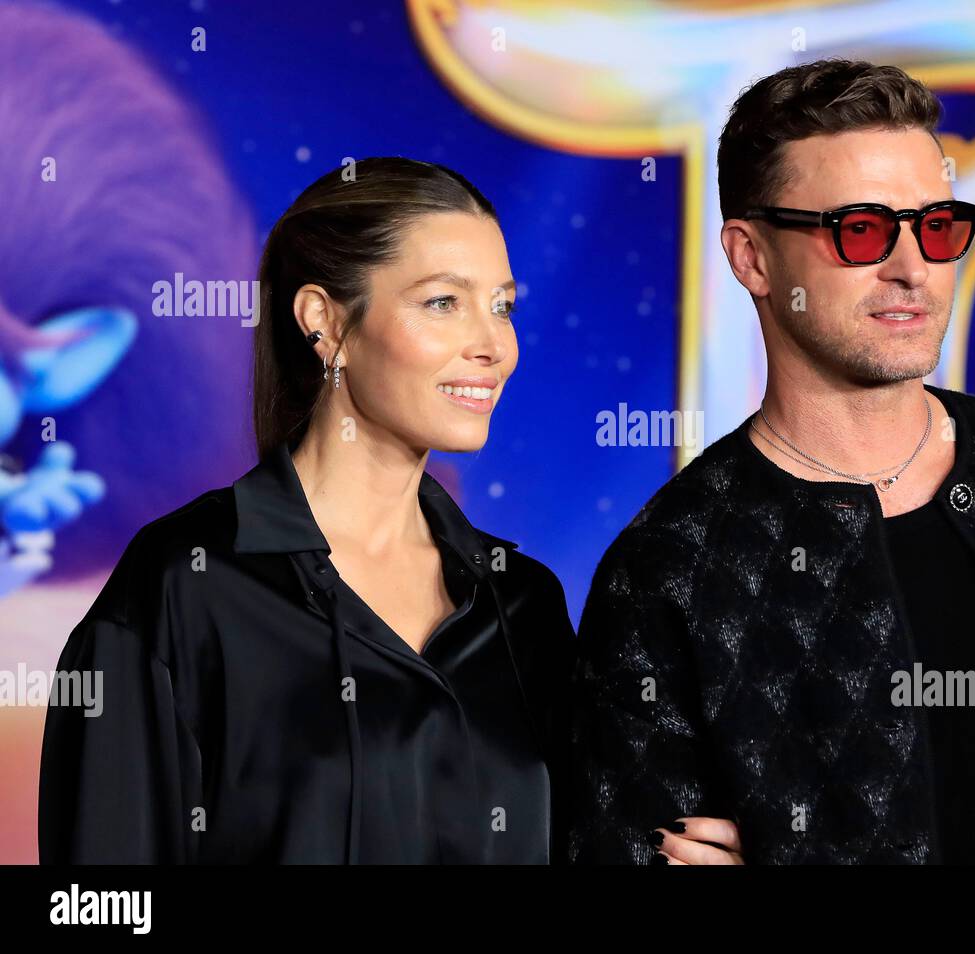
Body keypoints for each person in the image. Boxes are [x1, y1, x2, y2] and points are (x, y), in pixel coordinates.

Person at [570, 61, 975, 864]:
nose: (913, 268)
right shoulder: (671, 569)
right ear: (751, 258)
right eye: (861, 230)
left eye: (937, 225)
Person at [38, 157, 740, 864]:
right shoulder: (183, 585)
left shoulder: (523, 605)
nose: (493, 346)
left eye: (502, 306)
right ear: (325, 322)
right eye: (443, 302)